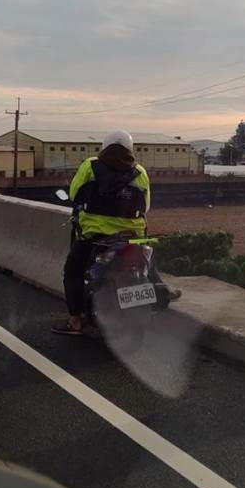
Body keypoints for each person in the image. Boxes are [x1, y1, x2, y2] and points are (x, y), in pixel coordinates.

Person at [52, 130, 180, 335]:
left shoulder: (90, 165)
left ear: (104, 146)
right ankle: (161, 288)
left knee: (73, 271)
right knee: (146, 259)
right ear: (130, 149)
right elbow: (145, 206)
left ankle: (75, 321)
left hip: (96, 237)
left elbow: (75, 194)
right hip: (132, 235)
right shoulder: (140, 171)